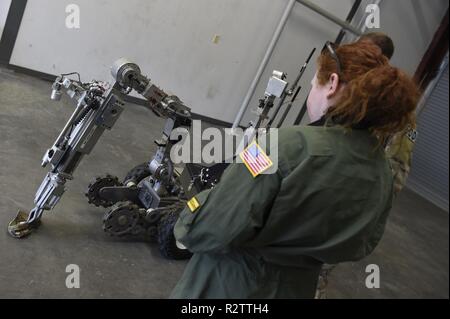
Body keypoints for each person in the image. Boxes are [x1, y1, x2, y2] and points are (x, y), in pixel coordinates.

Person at [170, 41, 419, 299]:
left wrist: (192, 213)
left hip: (231, 284)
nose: (311, 90)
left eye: (314, 85)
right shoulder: (381, 172)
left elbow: (214, 226)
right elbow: (361, 243)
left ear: (332, 84)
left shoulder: (280, 145)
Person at [315, 32, 417, 298]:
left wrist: (366, 209)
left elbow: (396, 170)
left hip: (351, 198)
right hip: (321, 189)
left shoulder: (392, 108)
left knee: (316, 269)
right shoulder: (351, 89)